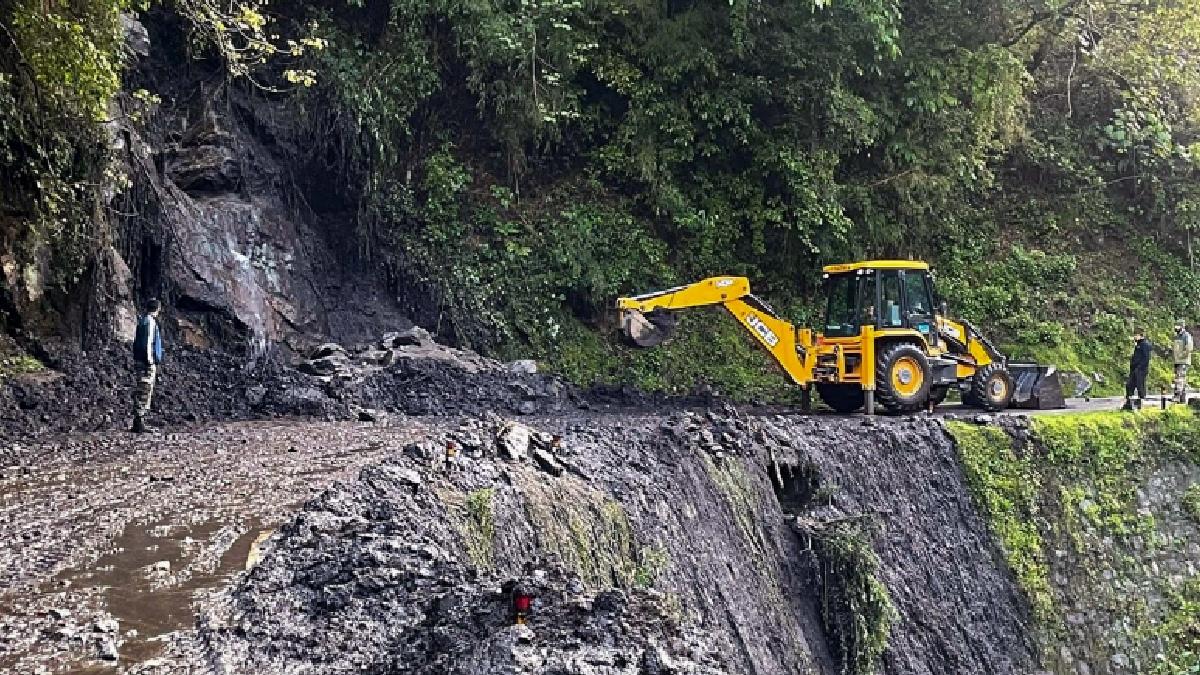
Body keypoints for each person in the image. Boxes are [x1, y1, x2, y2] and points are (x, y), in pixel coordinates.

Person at [131, 298, 164, 433]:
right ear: (157, 309)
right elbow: (148, 342)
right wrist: (150, 361)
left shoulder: (143, 320)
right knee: (145, 389)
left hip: (140, 361)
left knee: (142, 388)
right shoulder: (150, 322)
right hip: (146, 362)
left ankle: (138, 421)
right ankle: (140, 421)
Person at [1122, 331, 1152, 411]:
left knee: (1140, 385)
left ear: (1141, 336)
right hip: (1134, 368)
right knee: (1129, 385)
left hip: (1141, 369)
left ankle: (1141, 402)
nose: (1135, 337)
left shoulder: (1144, 345)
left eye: (1136, 335)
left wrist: (1139, 367)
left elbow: (1146, 358)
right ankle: (1128, 402)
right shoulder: (1138, 345)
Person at [1173, 320, 1194, 404]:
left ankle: (1177, 396)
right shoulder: (1177, 336)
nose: (1175, 328)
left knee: (1179, 379)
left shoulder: (1186, 336)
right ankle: (1182, 399)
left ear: (1182, 326)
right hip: (1177, 361)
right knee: (1180, 379)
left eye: (1177, 326)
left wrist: (1181, 356)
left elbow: (1189, 348)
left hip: (1183, 361)